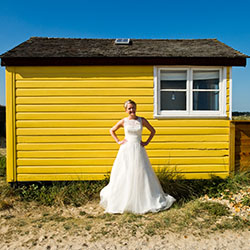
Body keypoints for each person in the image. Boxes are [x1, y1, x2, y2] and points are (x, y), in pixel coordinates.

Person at [100, 100, 176, 214]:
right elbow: (112, 130)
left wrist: (146, 142)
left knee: (141, 173)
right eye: (129, 108)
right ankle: (123, 200)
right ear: (126, 110)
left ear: (136, 108)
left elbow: (152, 131)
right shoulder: (123, 121)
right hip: (126, 150)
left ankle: (143, 199)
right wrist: (119, 141)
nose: (132, 110)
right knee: (125, 173)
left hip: (139, 150)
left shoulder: (142, 120)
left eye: (133, 108)